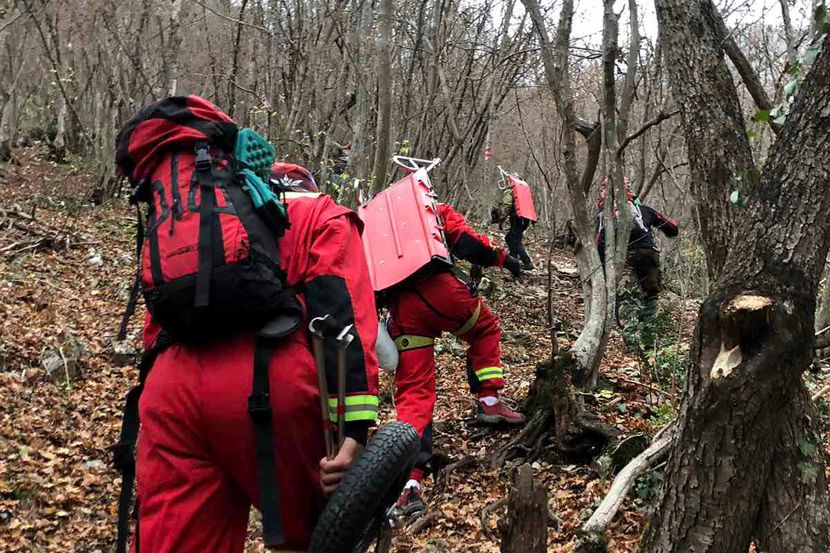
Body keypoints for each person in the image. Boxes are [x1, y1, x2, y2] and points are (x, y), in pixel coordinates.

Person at [133, 162, 379, 552]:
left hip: (171, 390)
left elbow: (158, 322)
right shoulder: (321, 213)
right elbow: (342, 319)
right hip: (268, 385)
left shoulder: (201, 218)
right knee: (311, 539)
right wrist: (354, 430)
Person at [388, 201, 526, 519]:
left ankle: (411, 482)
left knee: (414, 393)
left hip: (402, 310)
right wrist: (506, 260)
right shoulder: (431, 209)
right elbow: (466, 243)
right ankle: (489, 400)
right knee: (485, 330)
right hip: (441, 292)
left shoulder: (384, 226)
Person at [595, 181, 678, 301]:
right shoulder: (643, 210)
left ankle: (628, 316)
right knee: (651, 296)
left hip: (623, 256)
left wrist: (602, 269)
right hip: (648, 254)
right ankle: (650, 317)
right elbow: (672, 230)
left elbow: (599, 244)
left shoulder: (605, 215)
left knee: (626, 296)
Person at [492, 183, 534, 271]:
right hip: (525, 219)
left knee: (515, 241)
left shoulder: (511, 191)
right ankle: (513, 259)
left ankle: (527, 262)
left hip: (516, 218)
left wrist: (501, 218)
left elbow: (507, 206)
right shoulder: (523, 192)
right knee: (510, 239)